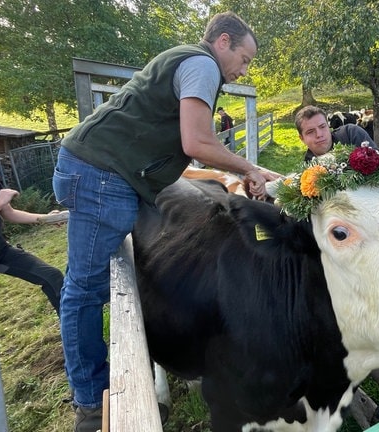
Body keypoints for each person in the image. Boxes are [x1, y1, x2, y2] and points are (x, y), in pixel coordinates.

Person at [52, 11, 279, 432]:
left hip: (103, 172)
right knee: (84, 290)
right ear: (223, 41)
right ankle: (91, 402)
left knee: (89, 286)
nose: (243, 70)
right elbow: (197, 141)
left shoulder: (186, 61)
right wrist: (249, 168)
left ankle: (92, 392)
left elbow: (182, 147)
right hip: (99, 173)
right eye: (245, 59)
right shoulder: (202, 65)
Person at [0, 140, 63, 315]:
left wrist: (45, 219)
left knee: (52, 276)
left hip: (0, 251)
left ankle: (74, 336)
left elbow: (9, 213)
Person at [294, 105, 377, 162]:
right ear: (302, 139)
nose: (319, 134)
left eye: (322, 127)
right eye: (310, 132)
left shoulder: (351, 134)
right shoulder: (307, 172)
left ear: (328, 126)